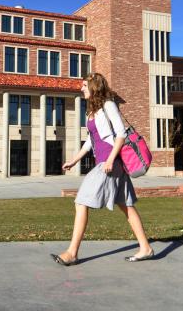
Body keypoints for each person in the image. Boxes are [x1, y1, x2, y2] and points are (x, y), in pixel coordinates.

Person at [50, 72, 154, 266]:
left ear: (94, 87)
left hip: (109, 163)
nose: (81, 88)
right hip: (109, 163)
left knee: (81, 201)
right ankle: (146, 248)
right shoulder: (92, 111)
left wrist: (110, 160)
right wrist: (74, 160)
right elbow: (90, 141)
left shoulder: (108, 105)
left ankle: (72, 253)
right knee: (126, 205)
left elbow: (121, 135)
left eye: (84, 85)